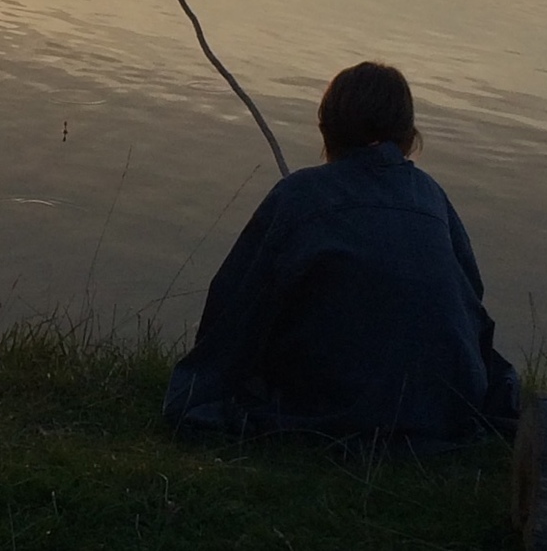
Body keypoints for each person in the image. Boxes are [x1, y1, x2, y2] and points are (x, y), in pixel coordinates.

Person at [163, 62, 519, 446]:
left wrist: (201, 385)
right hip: (443, 413)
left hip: (329, 413)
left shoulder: (299, 194)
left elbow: (236, 306)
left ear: (325, 129)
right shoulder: (430, 195)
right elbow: (471, 302)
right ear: (408, 137)